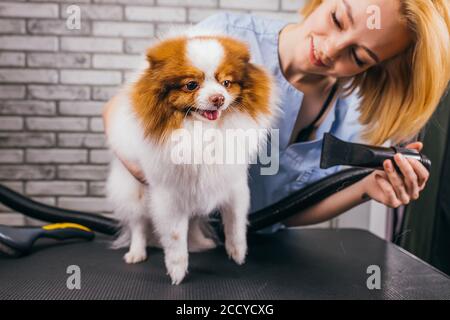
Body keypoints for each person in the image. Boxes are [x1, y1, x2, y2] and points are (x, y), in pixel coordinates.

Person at [102, 0, 450, 228]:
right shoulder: (225, 39)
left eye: (358, 57)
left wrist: (367, 187)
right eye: (337, 19)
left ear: (379, 68)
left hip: (265, 259)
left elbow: (290, 209)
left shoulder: (349, 113)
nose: (329, 50)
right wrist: (157, 174)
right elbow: (119, 109)